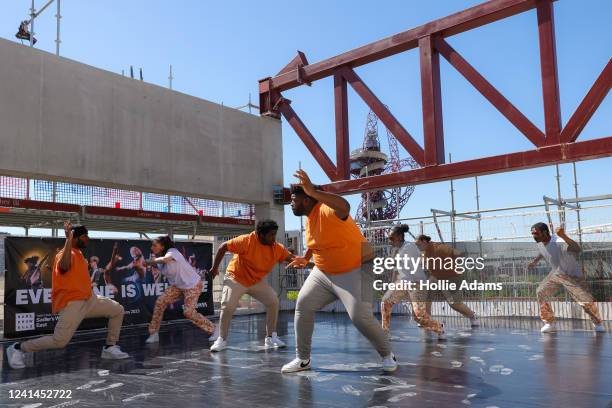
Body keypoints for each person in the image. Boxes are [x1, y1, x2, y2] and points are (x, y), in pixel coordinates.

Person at [281, 169, 397, 373]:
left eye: (294, 199)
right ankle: (303, 359)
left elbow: (345, 206)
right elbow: (318, 241)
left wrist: (314, 191)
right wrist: (306, 258)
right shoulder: (310, 219)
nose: (291, 202)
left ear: (308, 200)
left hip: (356, 269)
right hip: (323, 273)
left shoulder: (326, 209)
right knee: (303, 305)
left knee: (360, 317)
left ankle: (387, 354)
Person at [6, 222, 129, 369]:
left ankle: (110, 347)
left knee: (117, 310)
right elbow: (64, 267)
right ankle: (18, 348)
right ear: (75, 238)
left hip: (90, 300)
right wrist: (68, 240)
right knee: (60, 341)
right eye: (84, 236)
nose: (88, 238)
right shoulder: (65, 254)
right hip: (73, 303)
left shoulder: (79, 254)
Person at [208, 219, 294, 351]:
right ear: (260, 234)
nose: (273, 238)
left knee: (273, 301)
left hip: (255, 281)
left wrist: (313, 264)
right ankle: (221, 339)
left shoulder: (276, 248)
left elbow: (293, 259)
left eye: (274, 234)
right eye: (271, 235)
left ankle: (270, 338)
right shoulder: (246, 241)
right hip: (236, 278)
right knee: (228, 306)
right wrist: (214, 269)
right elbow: (223, 247)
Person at [528, 222, 605, 333]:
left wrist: (564, 236)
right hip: (557, 273)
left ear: (545, 232)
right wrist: (535, 261)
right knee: (541, 292)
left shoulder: (559, 241)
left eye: (536, 234)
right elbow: (542, 251)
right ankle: (549, 323)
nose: (534, 236)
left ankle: (597, 323)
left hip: (572, 275)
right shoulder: (540, 242)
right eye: (533, 234)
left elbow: (576, 248)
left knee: (584, 300)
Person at [144, 235, 216, 343]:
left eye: (154, 245)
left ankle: (214, 330)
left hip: (193, 285)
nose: (151, 248)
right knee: (160, 302)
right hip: (178, 287)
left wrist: (150, 261)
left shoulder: (172, 252)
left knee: (188, 312)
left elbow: (166, 259)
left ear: (162, 247)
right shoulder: (159, 263)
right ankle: (154, 334)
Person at [381, 225, 445, 339]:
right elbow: (398, 270)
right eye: (388, 238)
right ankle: (384, 333)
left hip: (416, 283)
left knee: (419, 317)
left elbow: (406, 268)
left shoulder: (409, 247)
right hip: (404, 283)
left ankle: (439, 327)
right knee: (386, 302)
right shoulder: (398, 249)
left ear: (400, 237)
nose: (389, 241)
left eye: (391, 238)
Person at [415, 235, 479, 327]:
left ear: (424, 241)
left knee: (454, 304)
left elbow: (453, 252)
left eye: (418, 244)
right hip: (436, 276)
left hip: (450, 277)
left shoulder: (439, 248)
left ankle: (473, 316)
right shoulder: (425, 252)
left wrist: (460, 254)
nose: (417, 247)